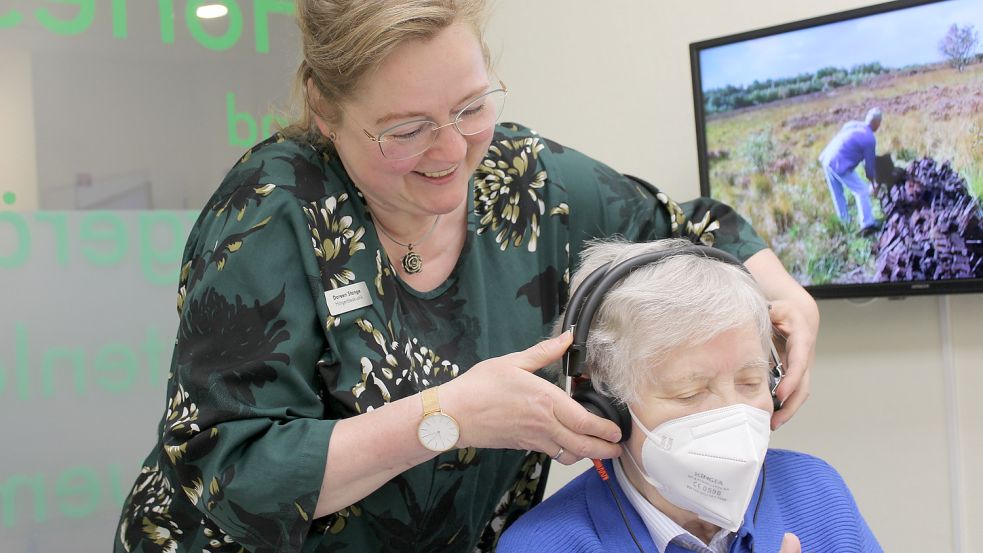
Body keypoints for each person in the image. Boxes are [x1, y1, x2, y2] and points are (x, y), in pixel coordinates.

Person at [113, 1, 820, 552]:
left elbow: (688, 224)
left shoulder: (523, 180)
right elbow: (229, 470)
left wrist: (783, 294)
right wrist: (445, 418)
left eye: (471, 107)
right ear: (325, 110)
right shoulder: (269, 217)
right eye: (406, 129)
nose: (451, 149)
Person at [498, 239, 881, 553]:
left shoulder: (818, 492)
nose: (733, 413)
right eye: (690, 392)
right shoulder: (542, 545)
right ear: (606, 407)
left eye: (751, 382)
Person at [819, 107, 883, 236]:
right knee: (862, 190)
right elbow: (869, 167)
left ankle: (845, 224)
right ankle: (867, 224)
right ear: (877, 124)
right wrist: (874, 184)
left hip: (827, 158)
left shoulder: (853, 124)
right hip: (839, 163)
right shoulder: (869, 139)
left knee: (837, 194)